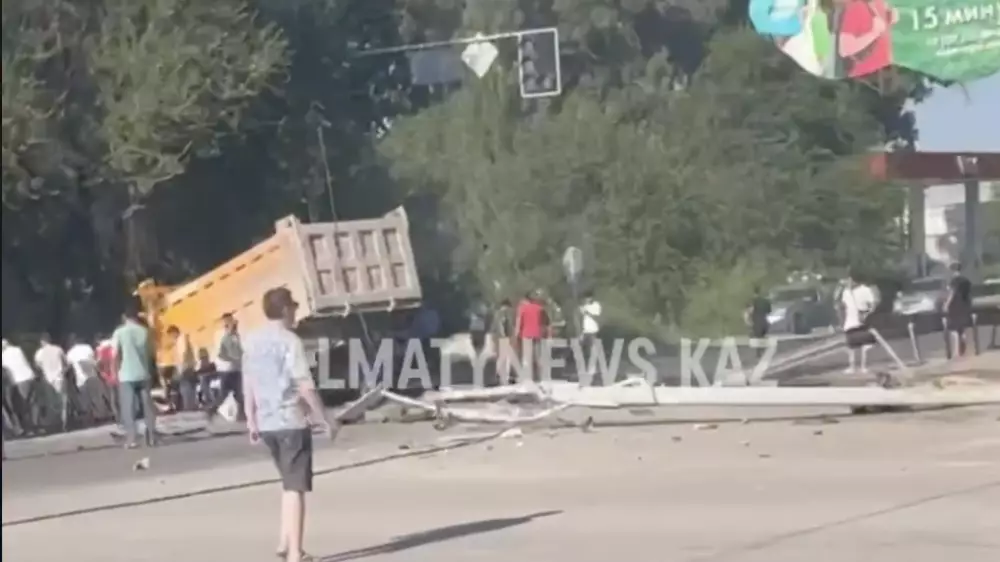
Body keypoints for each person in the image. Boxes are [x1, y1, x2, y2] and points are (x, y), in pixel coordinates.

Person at [243, 287, 337, 562]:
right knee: (296, 487)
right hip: (291, 421)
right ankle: (296, 553)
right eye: (293, 307)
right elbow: (305, 385)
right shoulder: (290, 341)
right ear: (285, 310)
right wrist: (324, 419)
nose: (296, 312)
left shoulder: (252, 341)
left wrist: (251, 417)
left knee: (288, 483)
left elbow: (247, 381)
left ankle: (285, 542)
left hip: (267, 423)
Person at [113, 301, 158, 448]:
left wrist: (115, 372)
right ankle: (151, 436)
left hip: (126, 375)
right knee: (147, 407)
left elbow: (115, 355)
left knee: (129, 408)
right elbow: (151, 353)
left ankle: (132, 439)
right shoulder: (144, 331)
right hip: (143, 373)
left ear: (124, 317)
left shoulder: (119, 332)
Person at [205, 313, 244, 421]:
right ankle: (211, 409)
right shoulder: (222, 335)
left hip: (236, 368)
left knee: (239, 393)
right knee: (223, 394)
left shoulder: (235, 335)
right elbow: (222, 353)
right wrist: (233, 359)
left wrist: (241, 358)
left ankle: (242, 415)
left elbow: (238, 350)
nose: (234, 323)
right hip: (226, 369)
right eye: (230, 321)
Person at [840, 272, 877, 374]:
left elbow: (872, 304)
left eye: (848, 280)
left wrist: (867, 313)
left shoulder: (865, 290)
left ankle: (864, 366)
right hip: (850, 321)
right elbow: (844, 306)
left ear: (853, 280)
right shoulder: (846, 292)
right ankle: (852, 366)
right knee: (851, 346)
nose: (846, 283)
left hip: (861, 321)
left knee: (865, 345)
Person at [34, 333, 70, 431]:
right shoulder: (58, 349)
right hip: (59, 377)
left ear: (42, 341)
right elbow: (66, 364)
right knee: (62, 401)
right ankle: (64, 423)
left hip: (48, 380)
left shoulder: (39, 352)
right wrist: (63, 372)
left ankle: (55, 424)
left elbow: (37, 367)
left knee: (51, 402)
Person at [2, 338, 38, 434]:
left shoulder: (3, 356)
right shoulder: (18, 349)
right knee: (33, 404)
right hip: (30, 377)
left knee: (23, 406)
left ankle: (29, 429)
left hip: (20, 381)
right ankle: (35, 426)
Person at [514, 290, 548, 382]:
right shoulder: (539, 308)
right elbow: (544, 323)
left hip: (526, 334)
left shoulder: (522, 308)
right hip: (537, 334)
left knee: (526, 357)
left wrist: (516, 334)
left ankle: (527, 377)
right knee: (538, 356)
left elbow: (519, 322)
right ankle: (540, 377)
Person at [943, 262, 973, 358]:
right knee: (962, 327)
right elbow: (969, 294)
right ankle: (963, 338)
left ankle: (957, 349)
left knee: (953, 328)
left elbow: (952, 293)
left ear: (952, 271)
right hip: (965, 305)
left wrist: (946, 304)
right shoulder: (966, 281)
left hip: (955, 306)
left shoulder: (953, 281)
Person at [167, 325, 197, 411]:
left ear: (174, 332)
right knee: (189, 389)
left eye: (171, 335)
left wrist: (180, 370)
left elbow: (182, 355)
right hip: (188, 367)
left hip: (185, 368)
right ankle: (191, 407)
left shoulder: (181, 339)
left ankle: (189, 408)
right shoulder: (181, 340)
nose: (171, 338)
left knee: (186, 389)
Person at [578, 292, 602, 376]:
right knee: (584, 351)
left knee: (593, 350)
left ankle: (593, 369)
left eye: (588, 298)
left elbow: (597, 316)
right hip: (585, 331)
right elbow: (581, 320)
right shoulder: (583, 306)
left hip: (593, 330)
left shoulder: (596, 305)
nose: (586, 300)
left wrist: (587, 312)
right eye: (585, 298)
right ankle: (585, 368)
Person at [745, 287, 773, 358]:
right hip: (764, 321)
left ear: (753, 293)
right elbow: (769, 311)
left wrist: (748, 321)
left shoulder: (752, 301)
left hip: (756, 321)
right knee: (762, 336)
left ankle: (759, 352)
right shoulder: (765, 301)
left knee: (758, 337)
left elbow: (748, 311)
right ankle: (762, 350)